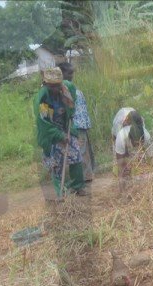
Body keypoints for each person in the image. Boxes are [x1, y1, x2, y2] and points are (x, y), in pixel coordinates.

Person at [34, 67, 87, 198]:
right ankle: (61, 192)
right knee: (55, 163)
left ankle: (77, 186)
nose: (55, 89)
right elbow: (44, 122)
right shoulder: (43, 98)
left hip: (65, 127)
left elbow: (72, 101)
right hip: (50, 134)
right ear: (46, 84)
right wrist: (60, 136)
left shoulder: (67, 87)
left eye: (57, 85)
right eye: (52, 86)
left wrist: (70, 114)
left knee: (75, 155)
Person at [58, 62, 95, 181]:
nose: (71, 75)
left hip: (82, 124)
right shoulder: (64, 90)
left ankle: (87, 175)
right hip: (76, 125)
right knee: (81, 151)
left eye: (72, 73)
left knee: (85, 150)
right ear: (62, 74)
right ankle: (83, 177)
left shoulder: (71, 88)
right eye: (69, 73)